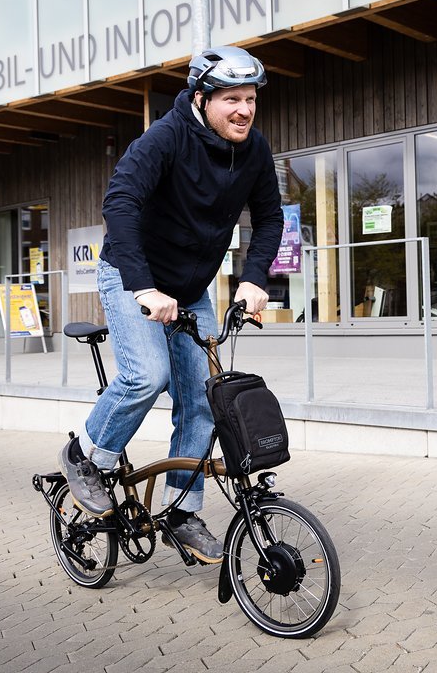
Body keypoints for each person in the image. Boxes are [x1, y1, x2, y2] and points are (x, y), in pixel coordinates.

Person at [58, 46, 284, 564]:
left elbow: (269, 218)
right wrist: (144, 289)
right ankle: (87, 457)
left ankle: (182, 512)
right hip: (131, 274)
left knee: (205, 399)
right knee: (147, 375)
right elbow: (121, 202)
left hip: (191, 286)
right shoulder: (166, 138)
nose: (244, 110)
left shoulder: (253, 149)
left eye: (250, 99)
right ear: (202, 98)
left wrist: (253, 280)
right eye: (232, 99)